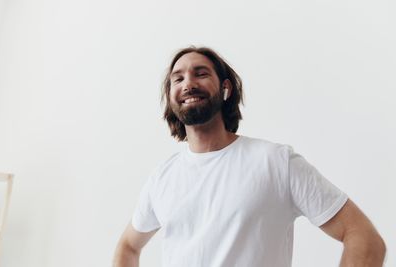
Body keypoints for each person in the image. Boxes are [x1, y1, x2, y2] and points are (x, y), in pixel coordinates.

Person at [113, 46, 386, 267]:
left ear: (226, 88)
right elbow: (128, 246)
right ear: (171, 96)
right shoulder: (163, 177)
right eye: (178, 78)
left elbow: (364, 238)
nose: (189, 83)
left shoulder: (276, 162)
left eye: (201, 73)